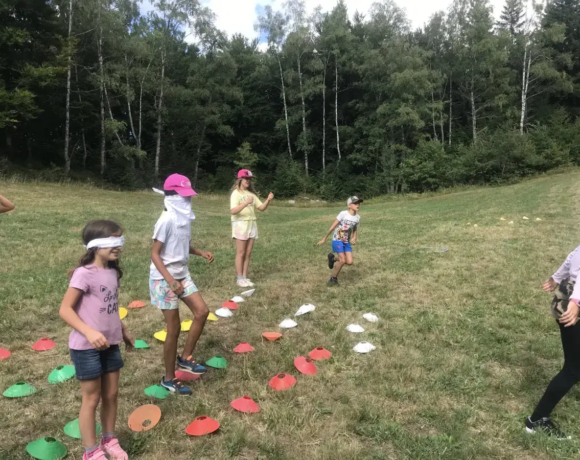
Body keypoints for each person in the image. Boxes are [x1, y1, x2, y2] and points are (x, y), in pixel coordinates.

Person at [59, 220, 133, 460]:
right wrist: (89, 332)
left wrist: (122, 329)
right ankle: (91, 451)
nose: (118, 245)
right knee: (92, 398)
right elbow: (65, 310)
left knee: (111, 394)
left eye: (120, 240)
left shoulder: (112, 272)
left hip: (110, 344)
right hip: (86, 347)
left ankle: (109, 438)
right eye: (113, 240)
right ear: (94, 244)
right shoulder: (84, 274)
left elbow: (110, 307)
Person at [150, 173, 214, 396]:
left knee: (202, 311)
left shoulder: (184, 219)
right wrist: (170, 280)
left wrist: (199, 252)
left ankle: (185, 357)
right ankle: (168, 379)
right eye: (183, 196)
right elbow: (155, 254)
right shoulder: (166, 220)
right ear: (172, 196)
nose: (188, 201)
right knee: (174, 329)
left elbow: (182, 245)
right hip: (163, 279)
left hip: (182, 274)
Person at [525, 245, 580, 439]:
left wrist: (557, 277)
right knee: (574, 369)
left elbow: (575, 254)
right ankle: (537, 420)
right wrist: (576, 301)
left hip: (568, 295)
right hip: (573, 303)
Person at [230, 169, 274, 287]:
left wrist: (268, 200)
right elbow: (233, 211)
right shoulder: (236, 193)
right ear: (240, 179)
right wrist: (245, 203)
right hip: (240, 225)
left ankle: (244, 277)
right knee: (241, 252)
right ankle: (239, 278)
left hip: (251, 224)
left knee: (248, 253)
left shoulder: (252, 194)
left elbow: (261, 208)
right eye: (246, 179)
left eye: (250, 179)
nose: (248, 181)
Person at [316, 196, 363, 286]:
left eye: (359, 203)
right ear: (349, 205)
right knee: (342, 260)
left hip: (346, 242)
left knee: (349, 262)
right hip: (337, 239)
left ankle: (333, 259)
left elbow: (355, 229)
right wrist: (324, 238)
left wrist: (354, 237)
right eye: (355, 203)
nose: (358, 205)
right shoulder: (343, 214)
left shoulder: (357, 217)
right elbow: (333, 226)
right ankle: (333, 279)